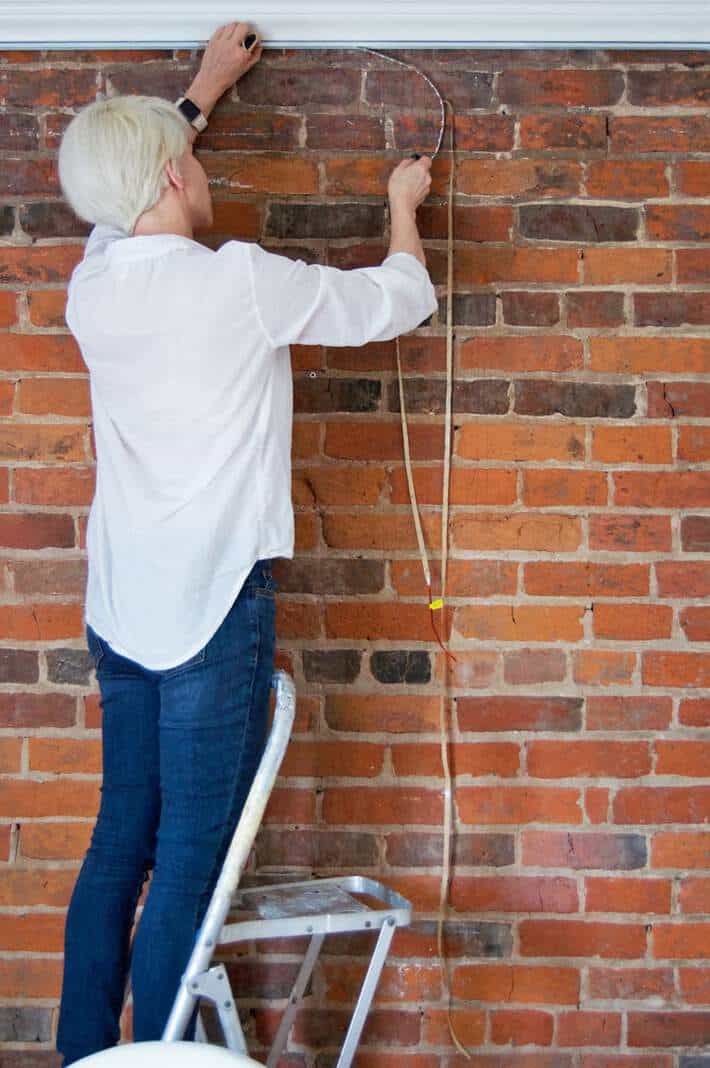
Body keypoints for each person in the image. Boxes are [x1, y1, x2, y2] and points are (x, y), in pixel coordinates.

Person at [53, 18, 437, 1066]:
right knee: (188, 859)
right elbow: (396, 303)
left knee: (118, 845)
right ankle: (164, 1059)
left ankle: (87, 1056)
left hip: (122, 610)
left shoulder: (93, 288)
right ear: (176, 180)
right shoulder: (236, 282)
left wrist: (200, 92)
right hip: (212, 604)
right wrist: (401, 210)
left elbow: (119, 207)